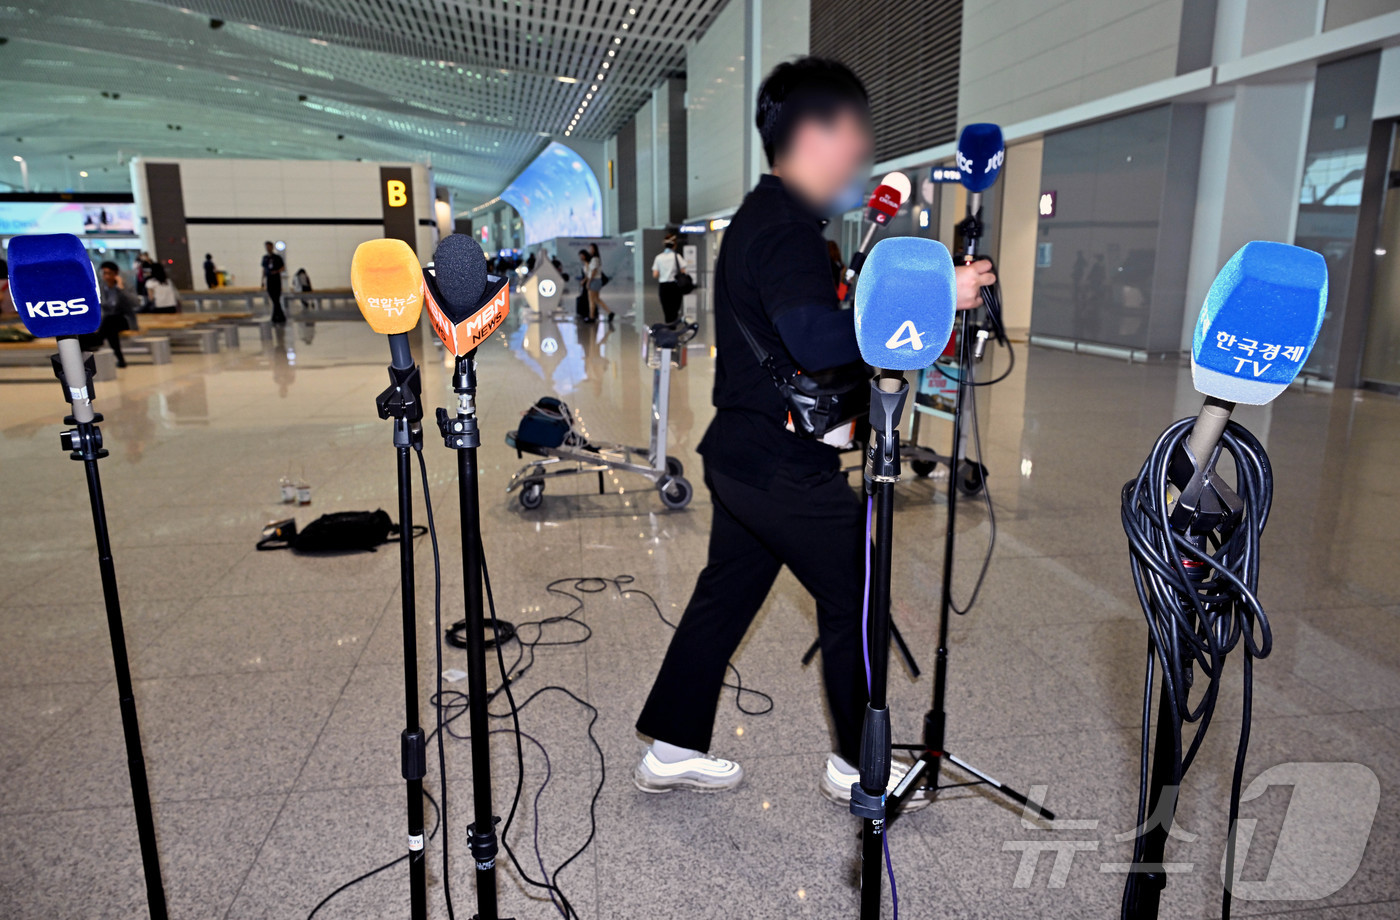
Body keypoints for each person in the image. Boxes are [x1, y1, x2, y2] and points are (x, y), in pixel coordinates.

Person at [633, 56, 996, 804]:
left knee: (725, 598)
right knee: (857, 591)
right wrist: (937, 293)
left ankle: (671, 747)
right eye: (851, 132)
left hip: (741, 453)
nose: (860, 151)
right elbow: (817, 341)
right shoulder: (784, 230)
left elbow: (803, 328)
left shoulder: (763, 217)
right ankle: (859, 764)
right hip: (780, 463)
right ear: (811, 136)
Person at [89, 261, 139, 368]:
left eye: (109, 273)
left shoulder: (125, 286)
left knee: (110, 321)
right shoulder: (102, 288)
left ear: (116, 274)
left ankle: (98, 340)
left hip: (124, 319)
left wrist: (121, 289)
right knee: (111, 330)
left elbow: (135, 303)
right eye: (104, 273)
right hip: (109, 323)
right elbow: (100, 307)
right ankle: (120, 359)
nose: (106, 276)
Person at [651, 233, 687, 324]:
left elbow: (655, 274)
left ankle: (668, 325)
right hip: (675, 287)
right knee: (675, 309)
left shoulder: (658, 258)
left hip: (663, 287)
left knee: (667, 309)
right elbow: (683, 271)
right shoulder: (677, 257)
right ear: (674, 245)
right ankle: (673, 325)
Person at [261, 241, 286, 324]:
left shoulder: (277, 257)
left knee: (276, 298)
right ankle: (280, 316)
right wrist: (262, 280)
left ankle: (275, 316)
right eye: (266, 247)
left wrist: (276, 271)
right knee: (274, 298)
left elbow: (283, 268)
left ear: (272, 247)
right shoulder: (265, 258)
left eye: (269, 247)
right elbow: (264, 269)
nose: (268, 248)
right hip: (269, 279)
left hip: (276, 279)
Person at [585, 242, 612, 323]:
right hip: (596, 280)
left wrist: (589, 281)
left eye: (591, 248)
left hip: (594, 281)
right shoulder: (595, 259)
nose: (590, 250)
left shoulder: (595, 259)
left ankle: (591, 317)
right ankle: (609, 312)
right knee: (596, 299)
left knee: (591, 300)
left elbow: (594, 271)